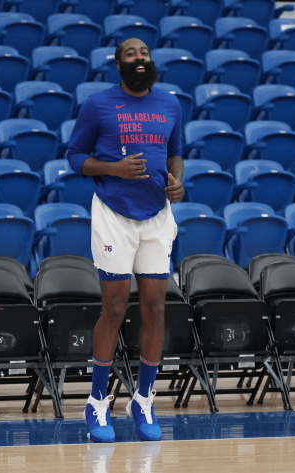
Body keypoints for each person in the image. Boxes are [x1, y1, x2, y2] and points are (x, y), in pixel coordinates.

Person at [66, 38, 184, 443]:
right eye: (131, 54)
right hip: (114, 213)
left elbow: (175, 153)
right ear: (118, 64)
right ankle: (98, 401)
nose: (139, 58)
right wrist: (113, 169)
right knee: (114, 307)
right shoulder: (98, 104)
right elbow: (75, 157)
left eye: (144, 53)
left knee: (155, 308)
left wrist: (177, 182)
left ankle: (144, 398)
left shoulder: (170, 104)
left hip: (157, 215)